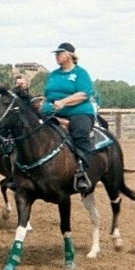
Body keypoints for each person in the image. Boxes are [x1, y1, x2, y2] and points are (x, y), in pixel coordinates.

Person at [41, 42, 96, 193]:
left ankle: (83, 172)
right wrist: (45, 106)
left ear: (70, 55)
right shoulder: (53, 75)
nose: (57, 56)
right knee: (33, 130)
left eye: (60, 52)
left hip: (79, 111)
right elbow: (47, 96)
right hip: (54, 112)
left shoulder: (80, 73)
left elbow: (84, 94)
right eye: (56, 53)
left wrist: (63, 102)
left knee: (79, 133)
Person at [0, 74, 30, 179]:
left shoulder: (29, 99)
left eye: (21, 83)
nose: (18, 85)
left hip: (24, 128)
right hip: (10, 127)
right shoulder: (10, 98)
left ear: (27, 84)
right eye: (17, 83)